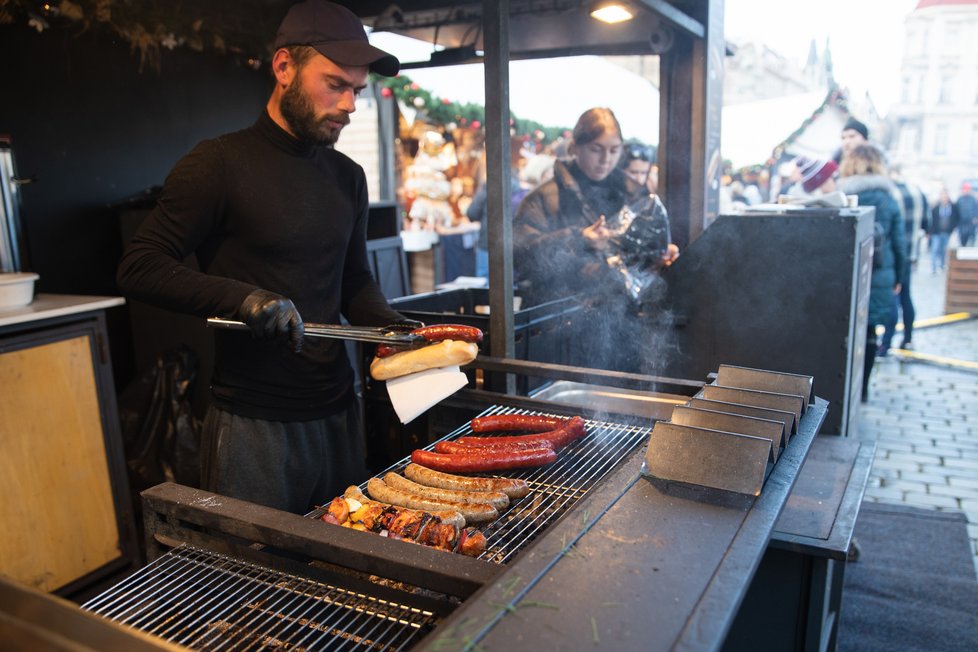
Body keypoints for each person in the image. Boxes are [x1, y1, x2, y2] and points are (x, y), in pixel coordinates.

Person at [116, 0, 413, 514]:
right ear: (284, 68)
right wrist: (246, 300)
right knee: (255, 585)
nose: (349, 105)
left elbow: (354, 282)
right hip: (255, 424)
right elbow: (139, 263)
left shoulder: (348, 177)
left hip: (340, 413)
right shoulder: (218, 163)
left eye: (356, 91)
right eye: (335, 85)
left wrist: (390, 327)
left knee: (342, 571)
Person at [513, 107, 678, 373]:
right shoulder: (542, 198)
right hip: (558, 327)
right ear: (575, 147)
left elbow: (635, 256)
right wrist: (578, 239)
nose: (605, 159)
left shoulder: (634, 194)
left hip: (619, 322)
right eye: (596, 149)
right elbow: (521, 255)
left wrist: (658, 254)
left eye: (614, 151)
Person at [836, 144, 906, 403]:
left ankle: (841, 389)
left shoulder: (841, 196)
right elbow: (899, 244)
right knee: (868, 333)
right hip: (878, 276)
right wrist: (899, 277)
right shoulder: (889, 199)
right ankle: (861, 388)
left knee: (842, 332)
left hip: (845, 276)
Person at [881, 169, 928, 352]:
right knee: (906, 297)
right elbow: (927, 224)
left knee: (892, 298)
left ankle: (886, 343)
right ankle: (908, 338)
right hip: (910, 255)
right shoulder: (917, 192)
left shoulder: (890, 194)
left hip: (893, 255)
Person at [928, 188, 959, 273]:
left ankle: (942, 266)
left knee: (944, 251)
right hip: (937, 232)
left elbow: (956, 218)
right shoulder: (936, 208)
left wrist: (953, 228)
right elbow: (932, 220)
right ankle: (933, 267)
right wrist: (930, 232)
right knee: (935, 249)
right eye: (942, 196)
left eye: (945, 196)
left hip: (947, 232)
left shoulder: (953, 207)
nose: (944, 198)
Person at [955, 183, 977, 247]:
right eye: (965, 189)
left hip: (971, 223)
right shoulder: (960, 199)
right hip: (961, 223)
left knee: (972, 238)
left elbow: (976, 209)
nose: (966, 191)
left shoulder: (973, 199)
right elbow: (956, 211)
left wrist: (975, 217)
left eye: (968, 189)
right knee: (962, 239)